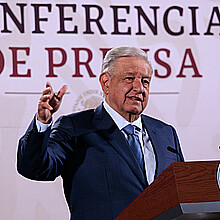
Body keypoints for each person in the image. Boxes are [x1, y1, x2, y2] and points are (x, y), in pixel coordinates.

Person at [17, 46, 184, 220]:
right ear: (106, 83)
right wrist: (42, 123)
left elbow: (182, 193)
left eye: (145, 81)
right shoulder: (75, 127)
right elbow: (34, 168)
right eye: (129, 79)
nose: (139, 88)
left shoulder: (166, 133)